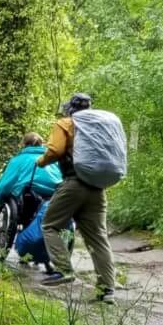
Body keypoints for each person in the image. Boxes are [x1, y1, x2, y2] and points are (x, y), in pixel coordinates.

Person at [35, 93, 117, 303]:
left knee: (50, 225)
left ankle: (63, 270)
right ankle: (107, 290)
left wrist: (41, 162)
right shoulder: (98, 127)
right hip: (98, 188)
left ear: (69, 108)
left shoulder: (66, 123)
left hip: (74, 183)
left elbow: (55, 150)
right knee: (98, 238)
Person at [0, 131, 61, 220]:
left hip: (28, 198)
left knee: (18, 193)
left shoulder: (18, 160)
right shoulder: (54, 160)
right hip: (55, 195)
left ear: (24, 144)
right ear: (42, 144)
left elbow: (3, 186)